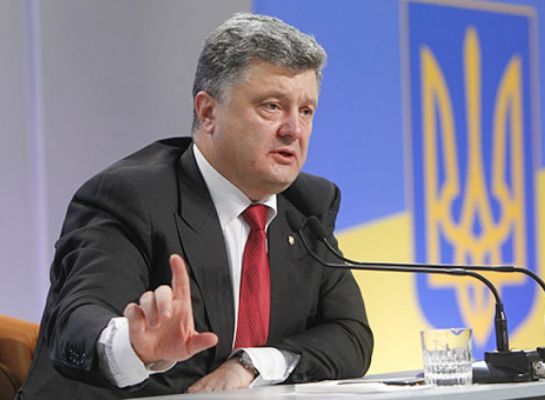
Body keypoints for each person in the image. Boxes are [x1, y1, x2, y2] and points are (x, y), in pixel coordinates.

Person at [19, 13, 372, 399]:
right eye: (272, 106)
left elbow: (350, 335)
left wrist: (251, 365)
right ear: (208, 113)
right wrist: (134, 348)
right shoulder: (132, 197)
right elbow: (74, 322)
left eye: (306, 111)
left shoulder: (307, 207)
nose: (294, 130)